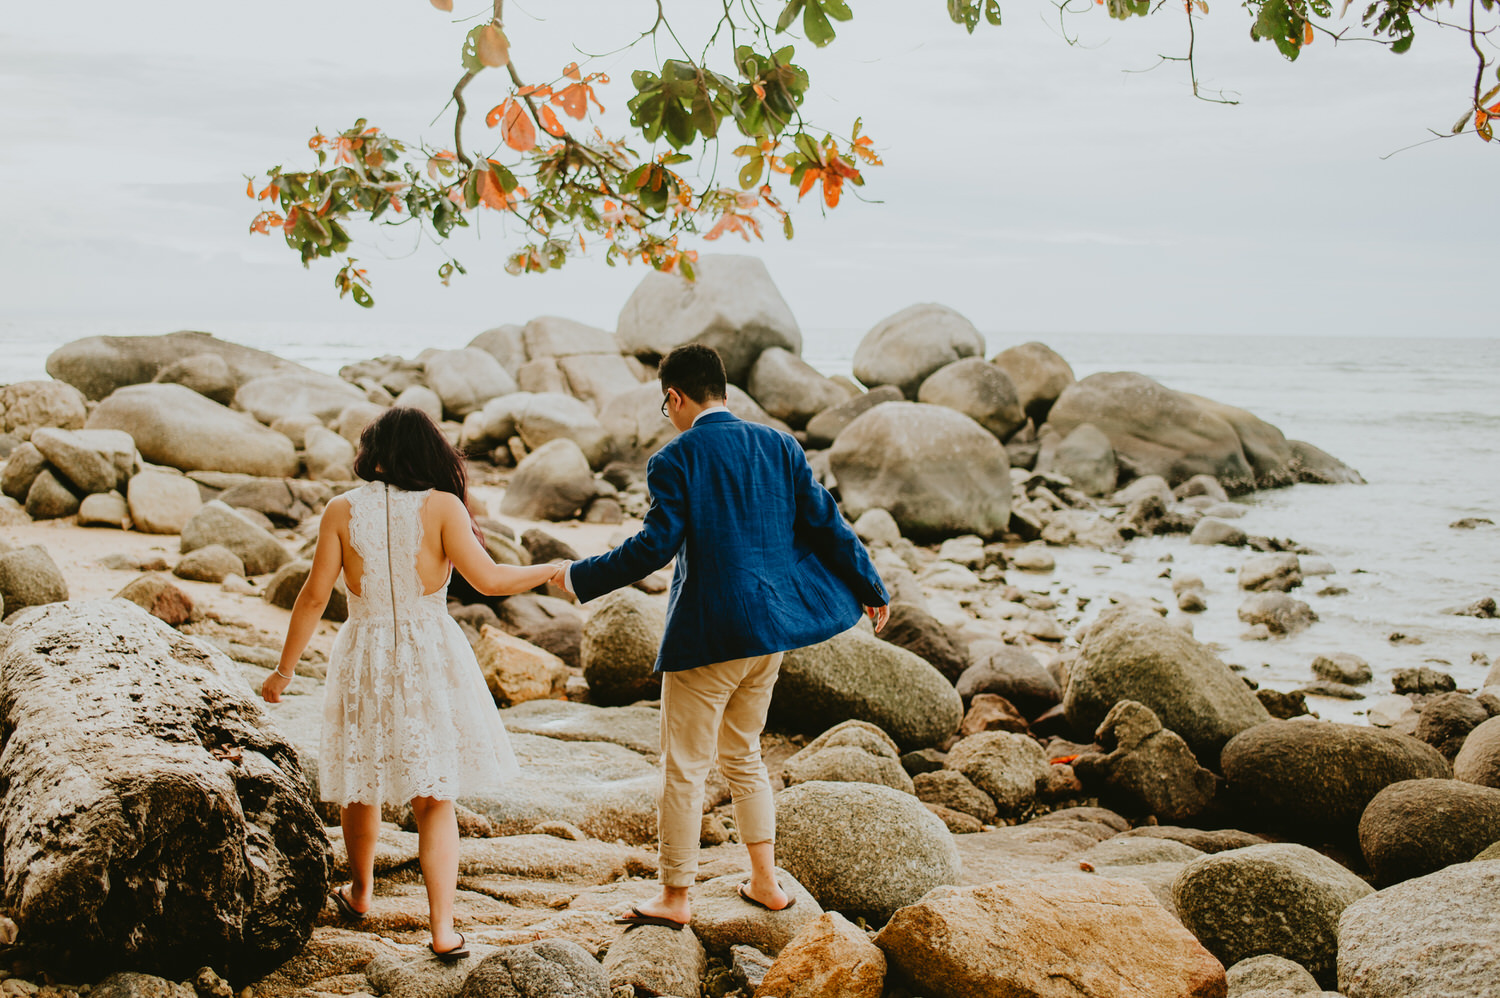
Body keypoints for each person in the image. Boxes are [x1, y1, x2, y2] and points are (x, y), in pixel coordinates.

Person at [556, 344, 890, 929]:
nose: (670, 415)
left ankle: (676, 896)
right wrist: (871, 584)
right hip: (770, 635)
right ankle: (765, 882)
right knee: (745, 755)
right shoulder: (779, 445)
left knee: (684, 766)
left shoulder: (674, 458)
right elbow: (827, 522)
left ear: (675, 397)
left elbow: (653, 548)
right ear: (724, 390)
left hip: (708, 637)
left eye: (668, 407)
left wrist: (580, 576)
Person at [261, 406, 563, 961]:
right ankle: (444, 928)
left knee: (362, 777)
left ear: (375, 454)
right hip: (431, 656)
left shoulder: (341, 509)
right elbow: (491, 580)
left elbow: (312, 595)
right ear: (429, 453)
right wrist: (550, 570)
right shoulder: (443, 506)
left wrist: (283, 672)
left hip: (363, 655)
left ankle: (360, 891)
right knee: (434, 797)